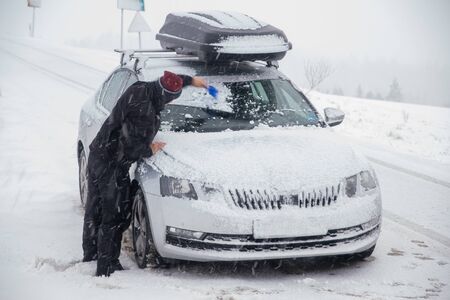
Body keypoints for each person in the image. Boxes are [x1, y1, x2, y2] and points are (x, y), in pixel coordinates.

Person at [82, 71, 207, 277]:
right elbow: (130, 147)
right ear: (166, 96)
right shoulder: (145, 112)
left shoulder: (142, 87)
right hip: (112, 164)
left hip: (99, 153)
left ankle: (91, 253)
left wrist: (192, 81)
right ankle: (106, 267)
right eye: (171, 99)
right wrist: (151, 149)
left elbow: (173, 81)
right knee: (114, 216)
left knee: (94, 208)